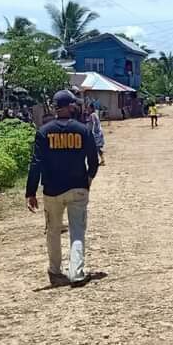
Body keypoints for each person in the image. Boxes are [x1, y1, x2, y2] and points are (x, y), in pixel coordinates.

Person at [25, 90, 100, 287]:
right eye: (73, 104)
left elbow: (36, 163)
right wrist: (88, 180)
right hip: (77, 188)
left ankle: (55, 272)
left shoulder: (44, 132)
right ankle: (77, 273)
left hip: (52, 190)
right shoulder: (83, 130)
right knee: (77, 231)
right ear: (69, 107)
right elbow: (93, 160)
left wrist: (30, 192)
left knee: (53, 231)